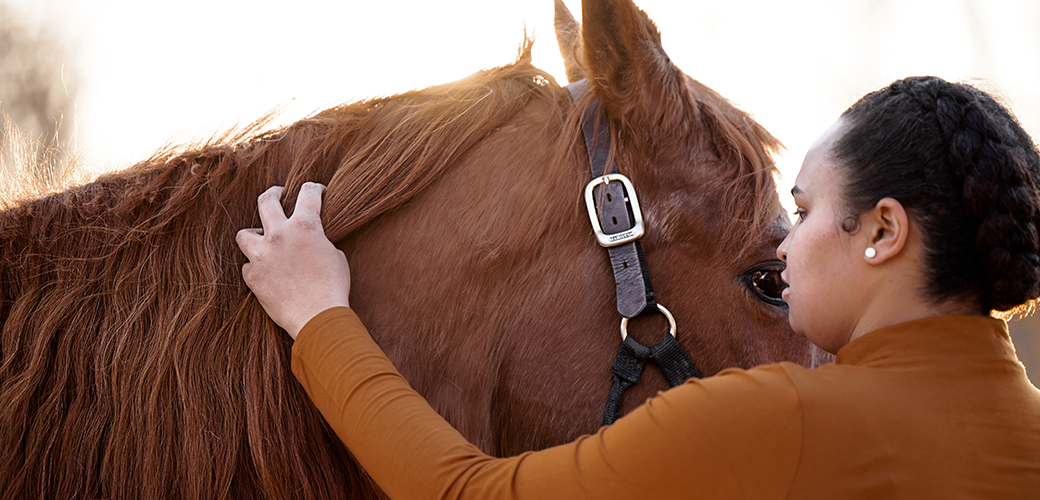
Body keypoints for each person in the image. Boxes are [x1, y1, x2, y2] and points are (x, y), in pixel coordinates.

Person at [236, 76, 1040, 498]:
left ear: (884, 232)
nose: (785, 250)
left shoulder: (782, 414)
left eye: (802, 213)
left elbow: (462, 492)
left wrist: (318, 316)